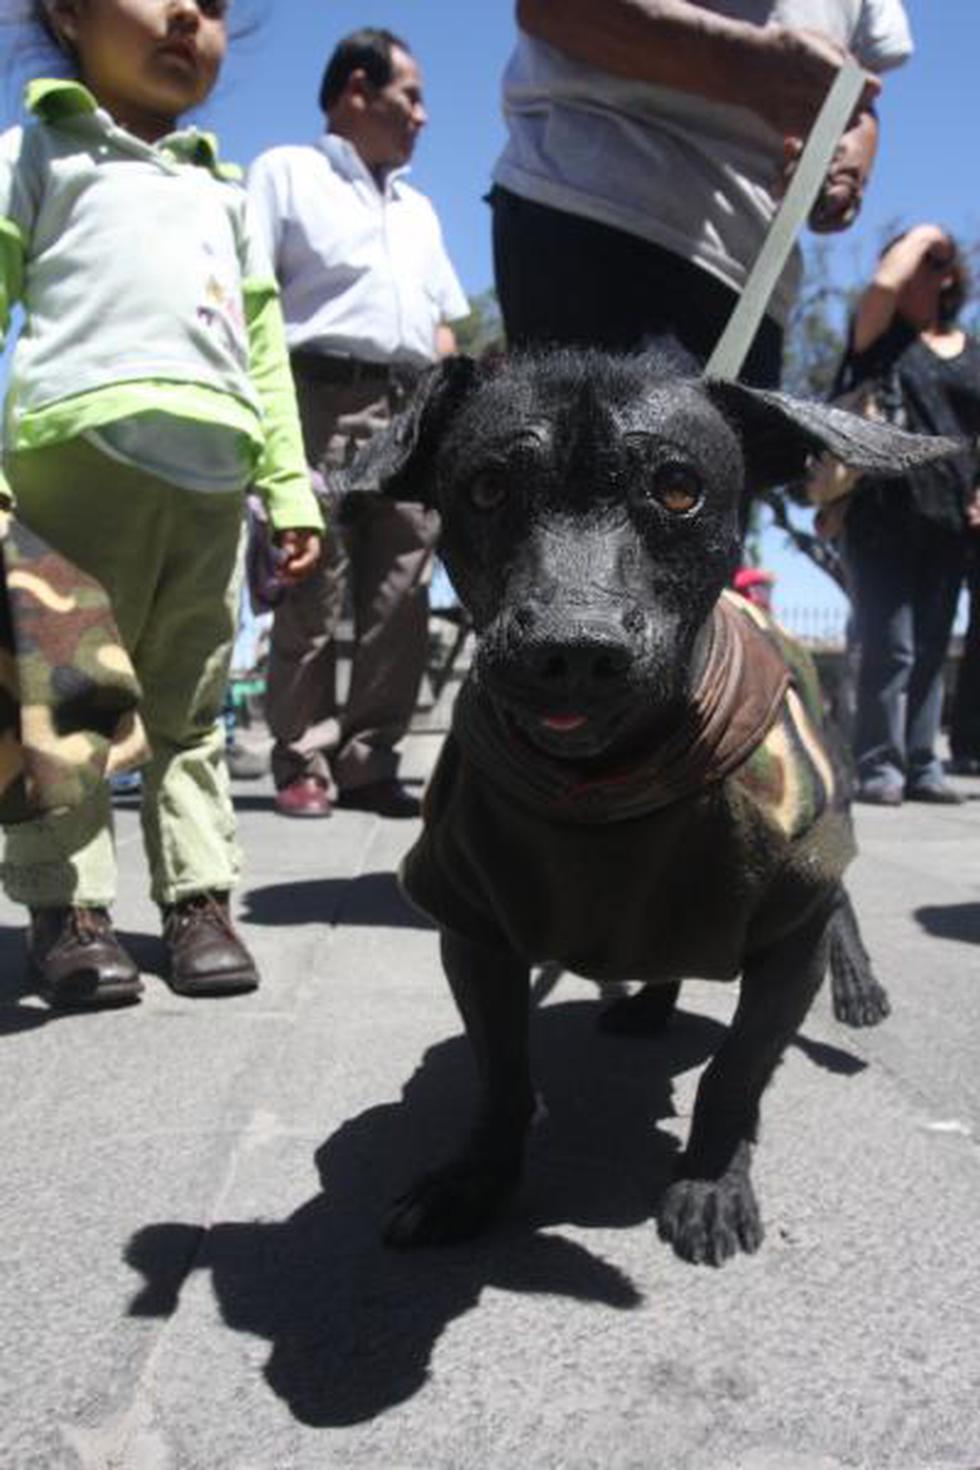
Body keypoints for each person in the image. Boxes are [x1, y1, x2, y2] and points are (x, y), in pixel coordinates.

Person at [0, 0, 324, 1009]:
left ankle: (199, 899)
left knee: (190, 708)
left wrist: (287, 481)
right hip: (70, 462)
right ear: (68, 12)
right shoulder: (38, 151)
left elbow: (263, 350)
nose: (191, 12)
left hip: (209, 483)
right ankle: (72, 910)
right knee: (70, 700)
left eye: (218, 4)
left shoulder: (221, 189)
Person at [247, 27, 468, 820]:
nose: (423, 116)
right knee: (311, 582)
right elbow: (253, 298)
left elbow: (444, 320)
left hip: (411, 409)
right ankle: (300, 753)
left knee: (402, 591)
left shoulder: (419, 209)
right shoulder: (286, 174)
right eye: (409, 96)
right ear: (354, 91)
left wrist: (444, 409)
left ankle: (371, 757)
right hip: (317, 397)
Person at [490, 0, 913, 387]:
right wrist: (740, 62)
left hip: (754, 280)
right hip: (598, 219)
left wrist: (849, 153)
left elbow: (863, 97)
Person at [837, 225, 980, 805]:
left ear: (952, 276)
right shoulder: (879, 337)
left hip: (950, 517)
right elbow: (881, 282)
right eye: (920, 258)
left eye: (938, 261)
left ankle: (923, 763)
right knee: (888, 643)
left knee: (929, 643)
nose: (925, 269)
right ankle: (879, 764)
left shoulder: (971, 352)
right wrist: (925, 233)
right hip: (883, 509)